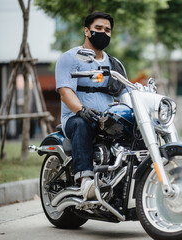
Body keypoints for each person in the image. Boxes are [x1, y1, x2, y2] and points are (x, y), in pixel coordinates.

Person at [55, 12, 127, 200]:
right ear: (87, 31)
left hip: (107, 120)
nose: (103, 33)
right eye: (98, 29)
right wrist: (82, 110)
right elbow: (65, 92)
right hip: (76, 118)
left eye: (107, 30)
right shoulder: (70, 58)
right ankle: (85, 181)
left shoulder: (115, 64)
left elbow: (126, 94)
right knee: (81, 123)